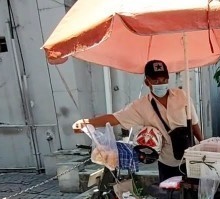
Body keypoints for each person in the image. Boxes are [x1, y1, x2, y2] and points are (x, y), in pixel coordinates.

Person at [73, 60, 203, 181]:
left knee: (192, 198)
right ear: (147, 82)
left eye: (164, 80)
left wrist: (203, 143)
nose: (161, 84)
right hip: (167, 161)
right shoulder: (140, 106)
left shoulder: (181, 96)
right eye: (156, 81)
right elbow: (115, 118)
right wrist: (87, 122)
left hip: (190, 158)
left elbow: (194, 123)